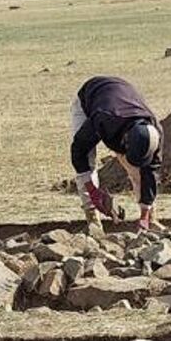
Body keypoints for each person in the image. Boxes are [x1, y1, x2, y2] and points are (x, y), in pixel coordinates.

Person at [71, 76, 164, 231]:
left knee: (140, 172)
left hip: (120, 98)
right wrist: (93, 192)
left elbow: (150, 172)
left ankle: (149, 218)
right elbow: (78, 151)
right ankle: (92, 219)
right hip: (90, 98)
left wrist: (144, 216)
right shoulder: (104, 119)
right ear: (125, 140)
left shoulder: (156, 133)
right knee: (88, 159)